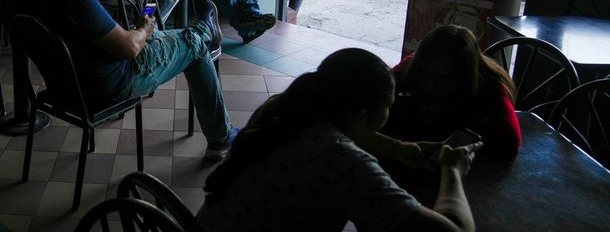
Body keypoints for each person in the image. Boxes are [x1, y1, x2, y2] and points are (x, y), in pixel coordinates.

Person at [4, 0, 238, 161]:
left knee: (164, 36)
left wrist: (141, 33)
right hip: (113, 84)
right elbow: (130, 48)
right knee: (194, 44)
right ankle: (220, 137)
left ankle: (202, 29)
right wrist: (143, 29)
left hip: (64, 90)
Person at [198, 48, 481, 232]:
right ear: (364, 113)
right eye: (389, 105)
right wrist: (452, 171)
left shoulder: (280, 110)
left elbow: (347, 134)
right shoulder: (345, 165)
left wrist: (396, 148)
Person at [381, 25, 521, 160]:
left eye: (444, 80)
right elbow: (374, 90)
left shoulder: (491, 83)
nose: (431, 86)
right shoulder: (411, 66)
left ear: (466, 78)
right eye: (426, 75)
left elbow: (510, 139)